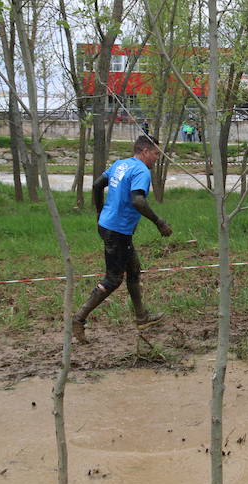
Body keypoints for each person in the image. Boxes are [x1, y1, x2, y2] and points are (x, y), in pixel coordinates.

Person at [72, 135, 172, 343]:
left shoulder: (120, 164)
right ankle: (79, 318)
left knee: (134, 269)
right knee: (113, 279)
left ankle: (141, 317)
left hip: (110, 226)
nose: (156, 158)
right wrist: (159, 222)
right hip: (117, 230)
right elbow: (138, 201)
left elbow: (97, 186)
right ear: (145, 151)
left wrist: (100, 213)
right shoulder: (141, 171)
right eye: (155, 154)